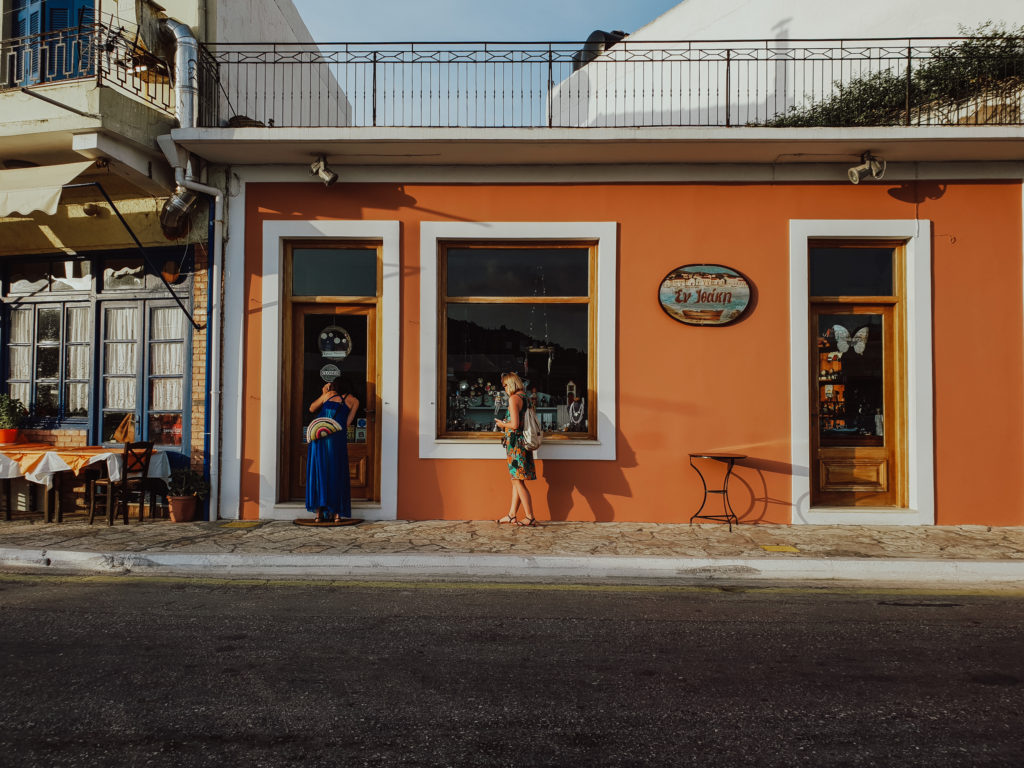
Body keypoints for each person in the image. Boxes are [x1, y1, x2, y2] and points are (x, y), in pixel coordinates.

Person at [306, 377, 358, 522]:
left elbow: (311, 408)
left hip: (319, 437)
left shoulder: (328, 395)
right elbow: (347, 423)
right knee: (336, 471)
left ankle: (318, 514)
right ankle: (337, 514)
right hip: (337, 439)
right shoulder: (354, 401)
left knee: (319, 471)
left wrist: (323, 393)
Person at [494, 372, 537, 526]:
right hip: (522, 444)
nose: (504, 388)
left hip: (515, 445)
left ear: (511, 384)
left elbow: (514, 425)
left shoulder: (514, 399)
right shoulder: (526, 398)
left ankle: (530, 517)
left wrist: (502, 424)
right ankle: (512, 515)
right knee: (516, 480)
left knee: (518, 482)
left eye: (505, 385)